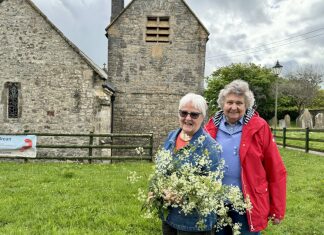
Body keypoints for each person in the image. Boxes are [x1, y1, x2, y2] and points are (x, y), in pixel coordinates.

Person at [204, 79, 287, 234]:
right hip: (216, 202)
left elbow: (275, 168)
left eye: (239, 103)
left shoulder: (259, 126)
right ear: (223, 104)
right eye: (229, 102)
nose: (233, 107)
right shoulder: (210, 126)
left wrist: (277, 208)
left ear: (246, 105)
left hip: (248, 203)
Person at [161, 93, 219, 235]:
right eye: (183, 113)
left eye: (194, 115)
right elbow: (161, 169)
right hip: (169, 214)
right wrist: (157, 189)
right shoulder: (171, 137)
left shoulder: (210, 147)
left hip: (193, 223)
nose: (187, 118)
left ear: (202, 117)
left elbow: (213, 187)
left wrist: (182, 195)